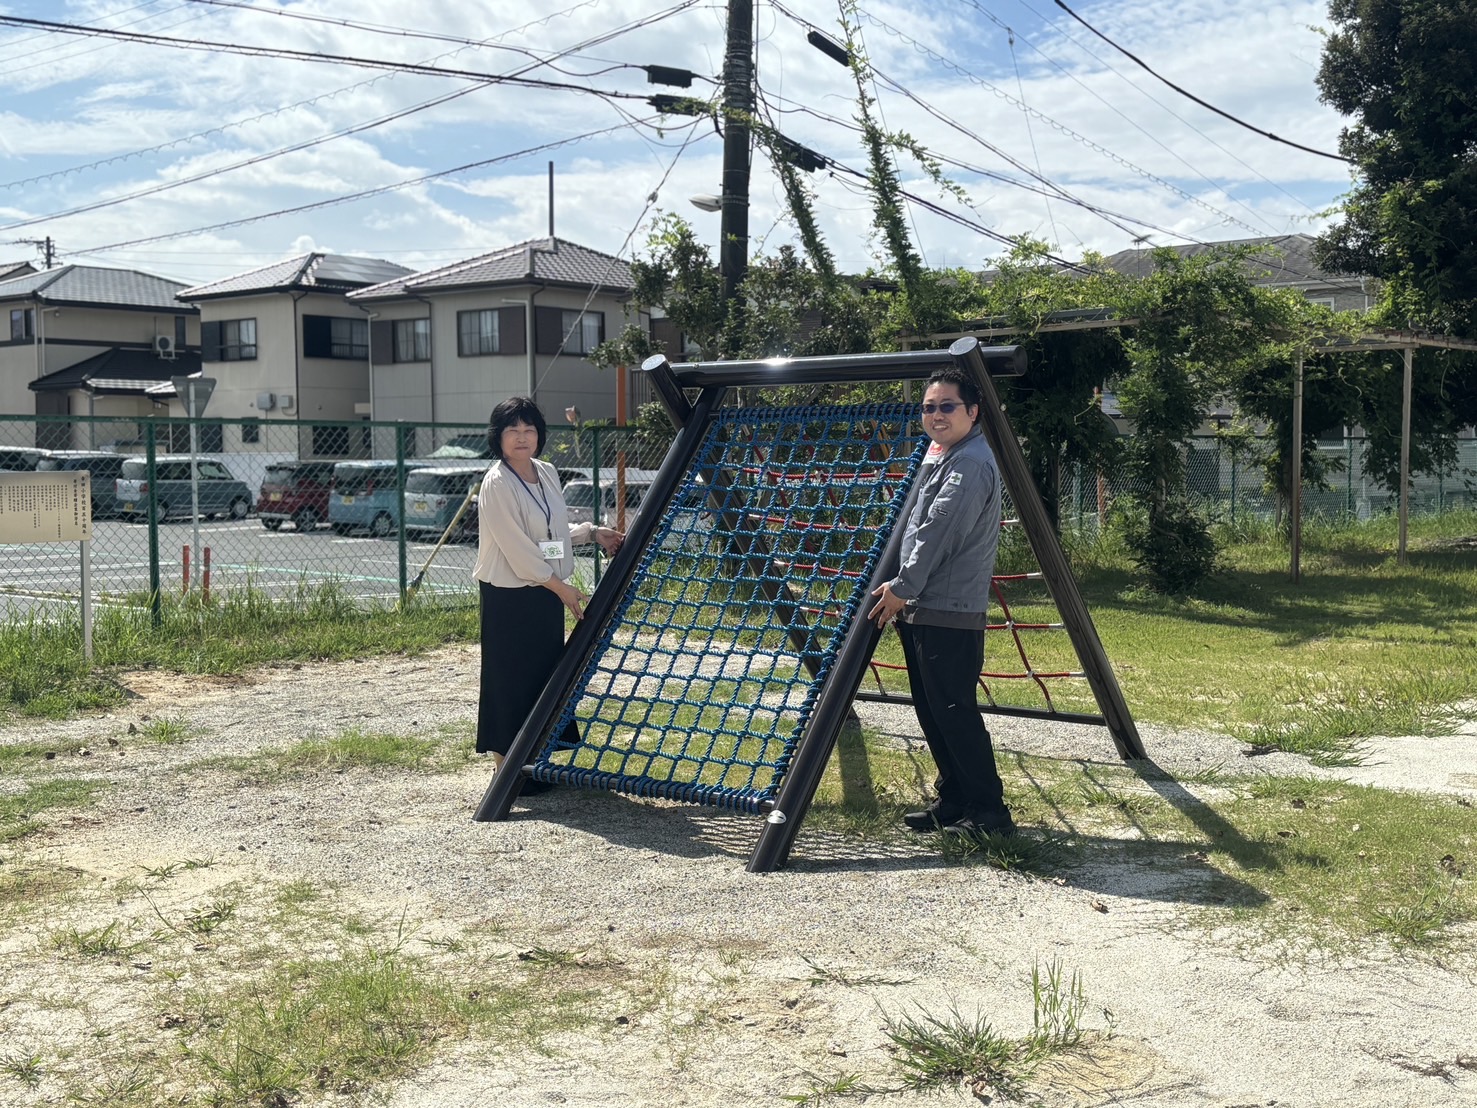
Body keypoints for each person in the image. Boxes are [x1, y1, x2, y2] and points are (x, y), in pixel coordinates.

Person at [867, 367, 1014, 838]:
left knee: (953, 710)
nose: (936, 414)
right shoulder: (947, 457)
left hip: (948, 610)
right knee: (932, 709)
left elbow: (938, 534)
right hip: (925, 606)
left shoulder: (970, 463)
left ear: (973, 411)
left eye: (947, 406)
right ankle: (954, 799)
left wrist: (902, 587)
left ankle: (990, 812)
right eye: (929, 407)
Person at [474, 396, 623, 788]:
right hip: (510, 595)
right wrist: (562, 589)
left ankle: (535, 762)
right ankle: (505, 771)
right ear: (499, 437)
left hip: (544, 592)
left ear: (539, 435)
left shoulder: (547, 472)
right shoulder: (496, 483)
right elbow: (519, 549)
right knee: (508, 679)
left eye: (529, 430)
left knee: (542, 676)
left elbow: (550, 538)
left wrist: (591, 533)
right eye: (513, 430)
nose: (522, 438)